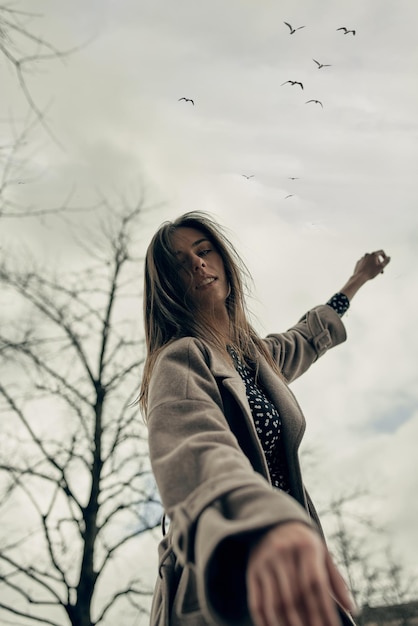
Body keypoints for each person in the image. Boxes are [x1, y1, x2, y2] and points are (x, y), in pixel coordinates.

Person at [139, 211, 390, 626]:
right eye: (182, 263)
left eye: (204, 251)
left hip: (291, 569)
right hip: (226, 577)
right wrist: (258, 521)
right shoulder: (181, 360)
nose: (198, 263)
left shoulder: (255, 359)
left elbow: (310, 334)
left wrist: (358, 279)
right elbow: (196, 450)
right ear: (168, 287)